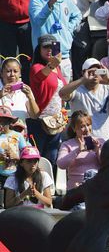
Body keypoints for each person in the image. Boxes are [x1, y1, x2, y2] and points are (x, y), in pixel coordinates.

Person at [29, 0, 81, 82]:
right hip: (44, 57)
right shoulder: (36, 0)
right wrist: (51, 2)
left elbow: (77, 15)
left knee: (64, 94)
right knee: (46, 93)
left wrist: (69, 29)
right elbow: (37, 21)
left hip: (63, 54)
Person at [58, 58, 109, 140]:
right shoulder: (76, 89)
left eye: (98, 71)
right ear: (83, 72)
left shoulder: (107, 89)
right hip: (81, 142)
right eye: (91, 71)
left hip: (103, 141)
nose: (95, 74)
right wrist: (83, 79)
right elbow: (62, 94)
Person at [59, 0, 103, 80]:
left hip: (81, 26)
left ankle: (79, 92)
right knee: (61, 61)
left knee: (81, 60)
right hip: (61, 25)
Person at [29, 36, 67, 165]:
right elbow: (40, 76)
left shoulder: (58, 69)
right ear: (39, 49)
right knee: (36, 159)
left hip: (56, 121)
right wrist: (52, 65)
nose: (49, 50)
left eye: (52, 47)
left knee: (52, 158)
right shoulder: (36, 67)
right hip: (39, 120)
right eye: (45, 47)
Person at [57, 110, 104, 190]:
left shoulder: (100, 141)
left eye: (88, 125)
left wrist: (97, 151)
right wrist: (77, 150)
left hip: (97, 188)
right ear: (74, 129)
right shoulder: (67, 144)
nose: (86, 129)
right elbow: (61, 164)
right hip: (76, 189)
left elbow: (108, 164)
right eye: (82, 126)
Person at [0, 57, 38, 123]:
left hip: (20, 132)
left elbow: (34, 115)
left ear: (20, 73)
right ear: (1, 73)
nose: (12, 74)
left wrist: (30, 97)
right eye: (8, 71)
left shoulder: (25, 90)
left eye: (15, 71)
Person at [0, 105, 26, 179]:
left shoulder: (18, 135)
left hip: (15, 173)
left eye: (2, 121)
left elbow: (25, 153)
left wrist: (17, 157)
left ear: (9, 122)